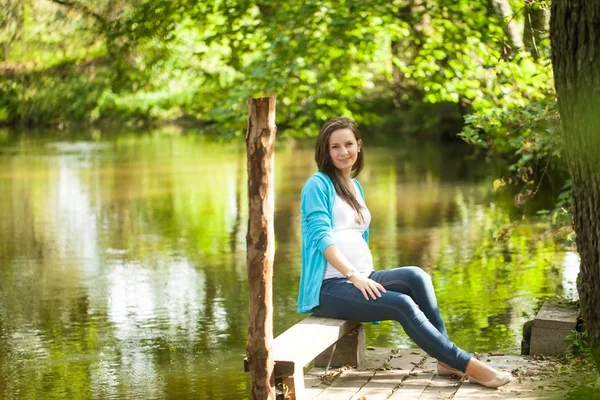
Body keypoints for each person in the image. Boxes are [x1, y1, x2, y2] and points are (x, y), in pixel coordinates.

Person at [297, 116, 512, 388]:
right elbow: (321, 239)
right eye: (335, 147)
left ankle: (445, 360)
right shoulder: (318, 185)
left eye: (348, 144)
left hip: (362, 276)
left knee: (416, 276)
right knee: (401, 303)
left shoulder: (354, 186)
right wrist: (355, 277)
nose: (343, 152)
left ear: (359, 146)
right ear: (325, 151)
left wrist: (363, 275)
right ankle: (465, 362)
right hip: (330, 287)